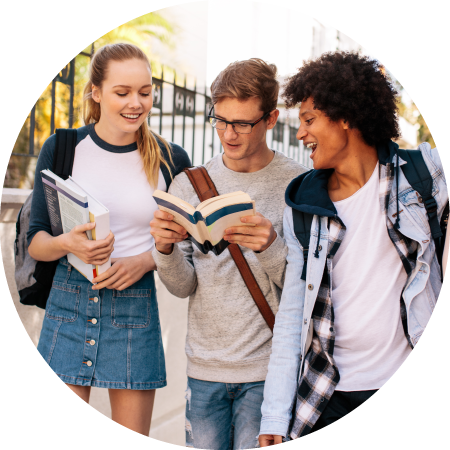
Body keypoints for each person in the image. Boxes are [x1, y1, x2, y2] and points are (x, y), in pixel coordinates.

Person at [258, 51, 448, 445]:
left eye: (309, 120)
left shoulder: (420, 177)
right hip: (325, 395)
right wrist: (274, 417)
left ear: (346, 116)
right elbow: (293, 317)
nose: (300, 134)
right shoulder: (304, 207)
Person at [28, 43, 191, 436]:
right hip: (68, 299)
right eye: (122, 92)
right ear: (96, 92)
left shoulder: (172, 159)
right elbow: (35, 241)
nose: (136, 103)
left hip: (135, 306)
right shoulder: (63, 148)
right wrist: (69, 243)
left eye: (145, 91)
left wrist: (145, 260)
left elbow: (188, 244)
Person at [149, 58, 307, 449]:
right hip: (204, 370)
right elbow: (182, 287)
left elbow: (304, 288)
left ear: (270, 119)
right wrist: (164, 249)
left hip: (268, 371)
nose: (228, 134)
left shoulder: (299, 184)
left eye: (241, 123)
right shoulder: (189, 184)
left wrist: (270, 247)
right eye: (219, 120)